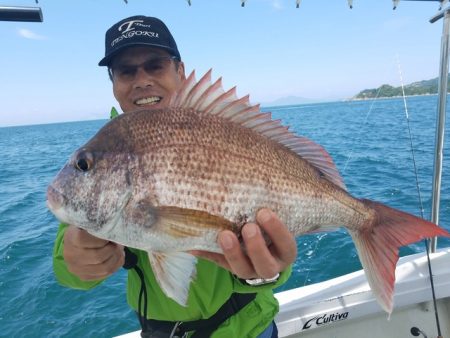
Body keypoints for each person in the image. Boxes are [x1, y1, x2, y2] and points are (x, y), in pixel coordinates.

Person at [53, 15, 297, 338]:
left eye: (155, 65)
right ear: (113, 83)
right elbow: (67, 257)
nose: (141, 80)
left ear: (179, 72)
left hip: (250, 329)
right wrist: (75, 258)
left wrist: (265, 274)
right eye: (126, 71)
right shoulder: (106, 150)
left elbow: (279, 252)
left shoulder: (223, 128)